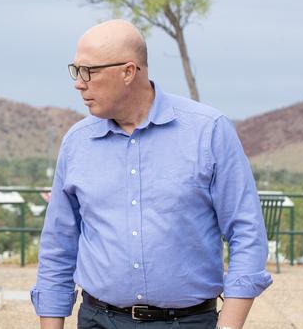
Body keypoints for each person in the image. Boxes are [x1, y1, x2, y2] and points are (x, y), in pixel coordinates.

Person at [31, 20, 272, 329]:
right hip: (98, 320)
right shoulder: (76, 143)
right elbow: (57, 246)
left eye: (89, 71)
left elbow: (247, 233)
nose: (79, 83)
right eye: (75, 70)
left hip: (188, 322)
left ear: (129, 72)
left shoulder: (209, 132)